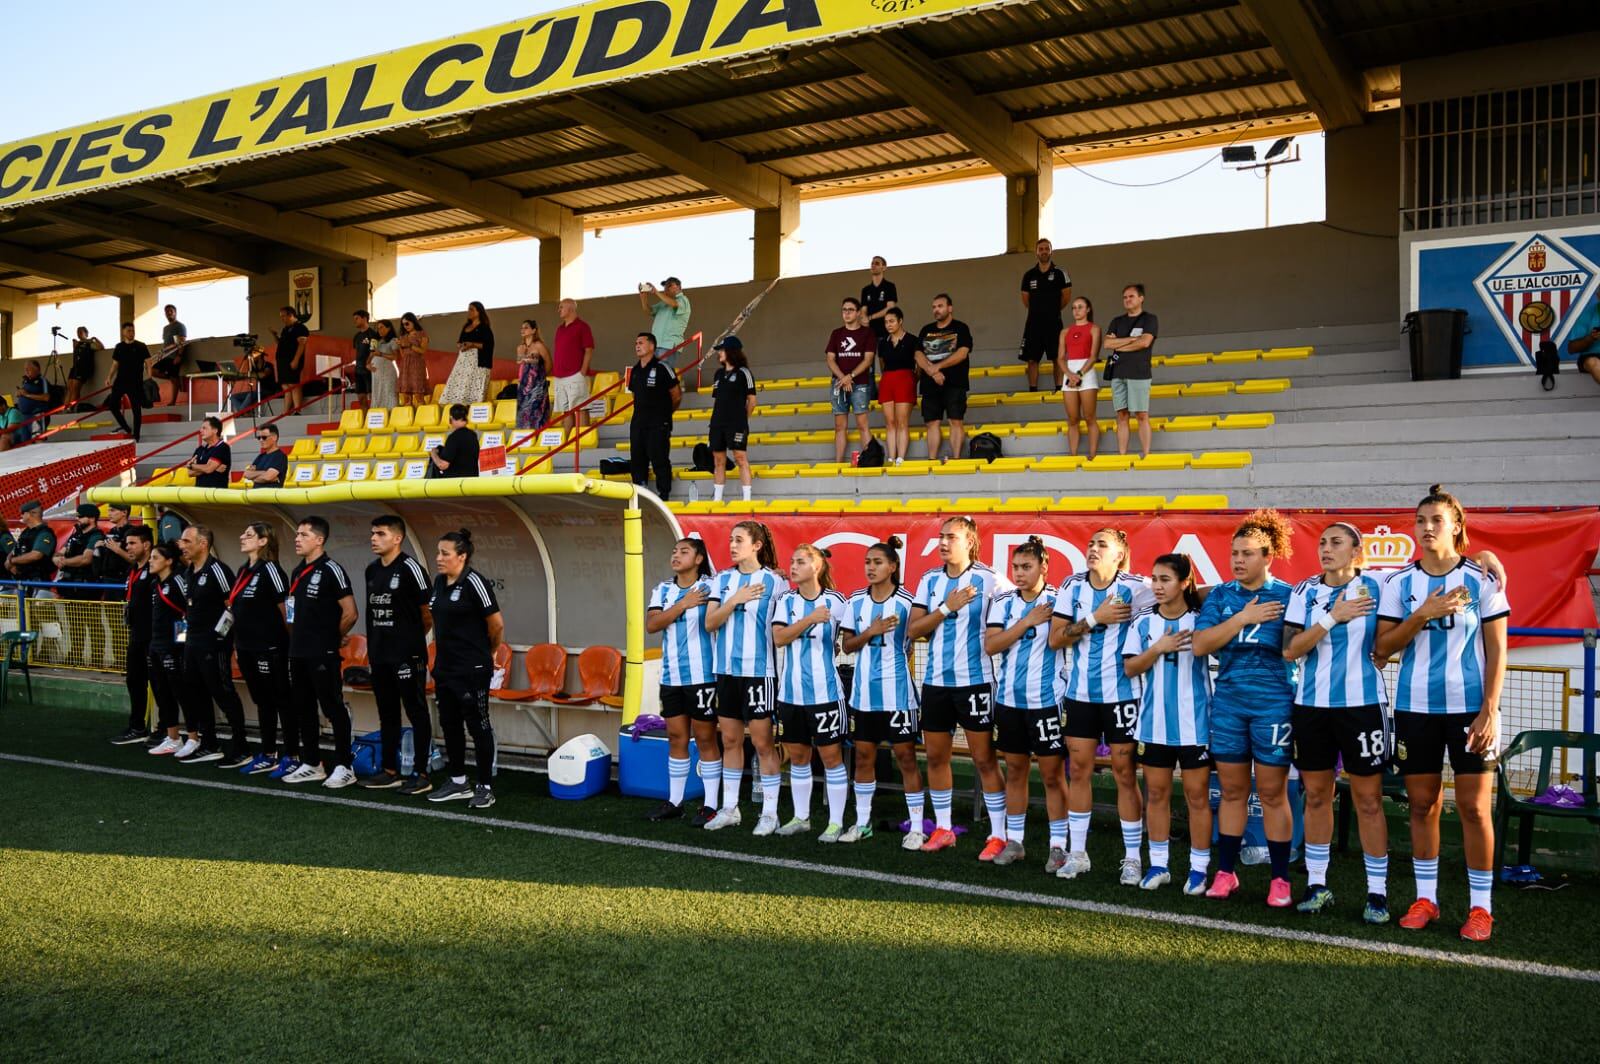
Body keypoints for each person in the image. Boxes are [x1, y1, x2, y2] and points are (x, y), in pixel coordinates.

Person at [1375, 486, 1509, 943]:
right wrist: (1422, 615)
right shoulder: (1399, 584)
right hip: (1415, 709)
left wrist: (1489, 710)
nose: (1426, 528)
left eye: (1436, 520)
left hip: (1471, 711)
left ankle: (1481, 909)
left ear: (1456, 526)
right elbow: (1383, 648)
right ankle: (1426, 899)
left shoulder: (1482, 579)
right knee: (1422, 804)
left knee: (1473, 808)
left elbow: (1497, 650)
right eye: (1420, 521)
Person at [1283, 522, 1391, 923]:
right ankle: (1316, 884)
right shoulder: (1305, 592)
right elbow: (1290, 649)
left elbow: (1428, 570)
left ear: (1356, 550)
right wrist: (1332, 617)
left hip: (1363, 706)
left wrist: (1486, 557)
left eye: (1336, 542)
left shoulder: (1381, 586)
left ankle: (1377, 893)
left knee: (1367, 800)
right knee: (1315, 796)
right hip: (1311, 706)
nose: (1326, 548)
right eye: (1323, 542)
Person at [1192, 509, 1298, 905]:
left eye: (1247, 553)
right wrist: (1242, 618)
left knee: (1272, 793)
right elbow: (1201, 646)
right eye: (1234, 552)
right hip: (1230, 704)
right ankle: (1225, 873)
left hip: (1273, 705)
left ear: (1268, 556)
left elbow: (1294, 648)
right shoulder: (1222, 596)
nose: (1237, 560)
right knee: (1233, 791)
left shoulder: (1289, 596)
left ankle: (1280, 879)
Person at [1049, 528, 1155, 882]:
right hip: (1080, 695)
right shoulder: (1071, 587)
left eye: (1102, 545)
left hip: (1122, 695)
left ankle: (1132, 858)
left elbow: (1179, 596)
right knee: (1078, 771)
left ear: (1120, 555)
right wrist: (1096, 618)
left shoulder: (1138, 587)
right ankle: (1078, 853)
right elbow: (1055, 639)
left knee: (1125, 774)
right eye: (1091, 544)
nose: (1092, 549)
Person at [907, 515, 1012, 855]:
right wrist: (945, 608)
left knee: (984, 759)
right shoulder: (930, 579)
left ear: (969, 542)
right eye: (940, 536)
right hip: (935, 682)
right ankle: (943, 828)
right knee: (936, 757)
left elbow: (1025, 600)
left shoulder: (990, 579)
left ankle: (998, 834)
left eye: (951, 537)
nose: (942, 542)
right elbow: (914, 630)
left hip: (975, 682)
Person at [1122, 553, 1214, 895]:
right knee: (1157, 794)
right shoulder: (1144, 623)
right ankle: (1159, 865)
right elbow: (1131, 668)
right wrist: (1158, 647)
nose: (1157, 586)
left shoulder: (1202, 621)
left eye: (1165, 579)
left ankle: (1199, 870)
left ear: (1184, 583)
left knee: (1196, 797)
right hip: (1154, 724)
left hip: (1196, 725)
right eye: (1154, 579)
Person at [985, 537, 1067, 869]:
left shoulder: (1061, 599)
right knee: (1015, 770)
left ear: (1044, 567)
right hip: (1009, 701)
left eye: (1026, 567)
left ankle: (1058, 845)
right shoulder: (1004, 602)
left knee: (1051, 775)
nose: (1019, 573)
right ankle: (1015, 841)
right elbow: (992, 646)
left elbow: (1063, 638)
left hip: (1046, 701)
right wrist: (1026, 623)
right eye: (1015, 567)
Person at [839, 537, 926, 847]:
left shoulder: (907, 602)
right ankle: (863, 823)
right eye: (867, 562)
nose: (871, 567)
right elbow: (846, 646)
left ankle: (916, 827)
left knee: (906, 758)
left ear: (893, 566)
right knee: (863, 758)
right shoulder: (855, 602)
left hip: (898, 695)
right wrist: (871, 632)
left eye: (877, 562)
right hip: (863, 695)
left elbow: (916, 638)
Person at [702, 521, 789, 833]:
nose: (732, 545)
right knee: (729, 740)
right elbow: (710, 623)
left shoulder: (775, 582)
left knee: (764, 743)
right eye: (730, 540)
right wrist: (734, 600)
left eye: (739, 540)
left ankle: (770, 813)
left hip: (759, 673)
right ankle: (730, 809)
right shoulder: (722, 580)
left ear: (757, 545)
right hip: (725, 672)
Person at [771, 543, 849, 838]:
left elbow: (848, 639)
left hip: (826, 693)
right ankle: (801, 817)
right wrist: (808, 620)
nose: (793, 566)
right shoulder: (786, 601)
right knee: (799, 757)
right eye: (792, 561)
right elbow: (779, 637)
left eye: (800, 561)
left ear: (816, 567)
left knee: (831, 757)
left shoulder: (837, 602)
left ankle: (836, 822)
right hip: (790, 694)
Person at [645, 537, 721, 824]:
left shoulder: (711, 587)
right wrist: (683, 603)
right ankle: (675, 801)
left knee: (704, 738)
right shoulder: (662, 589)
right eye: (674, 550)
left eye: (684, 551)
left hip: (702, 676)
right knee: (676, 737)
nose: (676, 555)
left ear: (699, 558)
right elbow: (653, 624)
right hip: (671, 677)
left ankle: (711, 803)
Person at [427, 529, 504, 810]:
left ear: (462, 556)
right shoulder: (438, 582)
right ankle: (458, 781)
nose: (439, 558)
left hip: (472, 668)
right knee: (449, 724)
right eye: (438, 552)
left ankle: (485, 786)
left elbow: (496, 625)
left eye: (445, 553)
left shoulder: (475, 582)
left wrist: (489, 652)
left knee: (479, 726)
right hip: (445, 668)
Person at [282, 516, 359, 788]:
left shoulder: (331, 569)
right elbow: (292, 613)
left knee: (333, 708)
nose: (297, 538)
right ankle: (312, 763)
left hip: (322, 653)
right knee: (303, 708)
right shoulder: (295, 572)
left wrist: (331, 638)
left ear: (319, 540)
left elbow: (350, 612)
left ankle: (344, 765)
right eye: (297, 534)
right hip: (298, 651)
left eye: (303, 534)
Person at [361, 516, 435, 794]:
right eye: (372, 533)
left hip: (407, 656)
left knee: (416, 711)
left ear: (397, 538)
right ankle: (390, 770)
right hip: (380, 655)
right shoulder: (371, 570)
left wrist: (410, 641)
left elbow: (427, 615)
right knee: (387, 713)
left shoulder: (410, 569)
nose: (374, 538)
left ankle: (421, 772)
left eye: (380, 533)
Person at [173, 525, 251, 769]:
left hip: (213, 645)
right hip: (192, 643)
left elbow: (233, 605)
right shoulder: (189, 572)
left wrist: (222, 637)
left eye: (187, 541)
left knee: (224, 693)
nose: (182, 545)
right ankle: (209, 743)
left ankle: (242, 747)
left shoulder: (218, 570)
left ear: (203, 543)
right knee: (196, 693)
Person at [231, 522, 299, 778]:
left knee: (282, 700)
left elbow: (286, 610)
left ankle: (292, 754)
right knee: (262, 701)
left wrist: (290, 643)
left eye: (248, 535)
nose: (242, 537)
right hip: (247, 647)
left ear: (263, 541)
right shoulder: (242, 570)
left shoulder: (271, 569)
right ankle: (268, 753)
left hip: (270, 648)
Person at [143, 543, 196, 757]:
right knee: (162, 693)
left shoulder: (178, 581)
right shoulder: (155, 584)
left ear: (169, 561)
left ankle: (193, 737)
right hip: (155, 645)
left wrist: (179, 644)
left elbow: (187, 613)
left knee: (181, 692)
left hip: (172, 648)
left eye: (155, 557)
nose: (150, 561)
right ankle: (173, 737)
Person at [107, 525, 156, 747]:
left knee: (159, 684)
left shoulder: (155, 571)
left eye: (133, 543)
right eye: (127, 544)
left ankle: (164, 730)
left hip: (153, 637)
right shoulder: (134, 569)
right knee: (134, 681)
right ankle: (137, 726)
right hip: (136, 634)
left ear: (146, 545)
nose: (129, 547)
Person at [916, 295, 974, 463]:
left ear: (950, 308)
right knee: (931, 423)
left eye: (940, 306)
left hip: (955, 383)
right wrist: (932, 372)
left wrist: (938, 367)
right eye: (934, 307)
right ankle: (932, 460)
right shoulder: (925, 329)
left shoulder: (961, 328)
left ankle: (955, 459)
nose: (936, 310)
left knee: (955, 420)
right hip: (929, 384)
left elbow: (962, 353)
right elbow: (918, 353)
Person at [1102, 283, 1157, 458]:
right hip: (1118, 373)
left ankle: (1146, 454)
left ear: (1141, 298)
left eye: (1131, 296)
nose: (1127, 300)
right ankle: (1122, 456)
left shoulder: (1149, 319)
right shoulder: (1117, 321)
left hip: (1139, 372)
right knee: (1122, 416)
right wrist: (1131, 340)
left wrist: (1121, 344)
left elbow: (1145, 342)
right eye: (1125, 297)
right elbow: (1108, 344)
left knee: (1141, 414)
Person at [627, 332, 681, 500]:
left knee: (659, 459)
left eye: (641, 343)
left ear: (651, 346)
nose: (637, 345)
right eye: (636, 343)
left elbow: (676, 395)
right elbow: (635, 396)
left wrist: (665, 414)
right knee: (637, 460)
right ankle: (640, 494)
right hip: (638, 424)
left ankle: (664, 495)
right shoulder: (635, 370)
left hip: (658, 424)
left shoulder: (663, 368)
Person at [826, 297, 877, 466]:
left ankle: (869, 461)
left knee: (863, 425)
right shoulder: (836, 333)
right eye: (844, 310)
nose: (846, 313)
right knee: (840, 426)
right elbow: (830, 359)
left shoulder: (867, 333)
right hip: (839, 384)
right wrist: (843, 377)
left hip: (860, 383)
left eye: (850, 310)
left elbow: (868, 359)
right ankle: (838, 463)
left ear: (858, 312)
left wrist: (851, 376)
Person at [1019, 238, 1072, 392]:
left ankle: (1058, 388)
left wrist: (1052, 311)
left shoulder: (1061, 273)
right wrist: (1038, 312)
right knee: (1032, 359)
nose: (1043, 251)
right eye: (1040, 249)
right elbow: (1025, 299)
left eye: (1046, 248)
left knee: (1057, 357)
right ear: (1036, 252)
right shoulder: (1029, 275)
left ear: (1051, 251)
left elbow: (1066, 297)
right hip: (1033, 324)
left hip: (1054, 323)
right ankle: (1032, 390)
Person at [707, 336, 755, 504]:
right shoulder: (718, 374)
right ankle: (718, 500)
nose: (719, 353)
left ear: (731, 352)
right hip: (717, 423)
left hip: (736, 424)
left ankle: (747, 500)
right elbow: (717, 399)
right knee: (718, 460)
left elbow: (752, 401)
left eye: (722, 350)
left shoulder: (744, 373)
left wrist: (742, 420)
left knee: (740, 458)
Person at [1058, 296, 1102, 459]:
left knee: (1089, 417)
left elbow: (1093, 356)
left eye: (1080, 307)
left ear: (1088, 309)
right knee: (1072, 418)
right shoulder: (1065, 331)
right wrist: (1069, 374)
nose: (1077, 310)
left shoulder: (1094, 328)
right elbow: (1060, 357)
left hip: (1087, 372)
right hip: (1069, 371)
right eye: (1074, 307)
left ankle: (1092, 454)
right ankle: (1073, 454)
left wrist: (1080, 374)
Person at [876, 307, 919, 466]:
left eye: (892, 321)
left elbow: (918, 365)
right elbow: (882, 365)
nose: (888, 325)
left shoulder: (912, 340)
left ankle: (900, 457)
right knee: (890, 422)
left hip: (905, 378)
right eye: (886, 322)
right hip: (888, 379)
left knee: (902, 421)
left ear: (900, 321)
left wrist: (914, 379)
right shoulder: (882, 343)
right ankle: (891, 457)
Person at [99, 322, 150, 440]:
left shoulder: (141, 346)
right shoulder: (119, 347)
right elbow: (115, 364)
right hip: (120, 381)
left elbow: (148, 362)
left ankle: (136, 436)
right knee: (112, 405)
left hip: (135, 382)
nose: (131, 333)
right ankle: (126, 428)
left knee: (136, 409)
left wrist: (150, 377)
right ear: (123, 332)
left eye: (133, 330)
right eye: (128, 331)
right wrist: (109, 377)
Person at [551, 299, 595, 430]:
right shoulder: (559, 329)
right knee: (566, 411)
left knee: (581, 408)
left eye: (561, 307)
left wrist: (582, 371)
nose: (559, 310)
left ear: (570, 308)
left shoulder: (583, 326)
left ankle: (583, 440)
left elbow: (589, 349)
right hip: (559, 375)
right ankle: (568, 443)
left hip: (575, 373)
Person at [442, 301, 495, 405]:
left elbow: (488, 345)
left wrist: (473, 344)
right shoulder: (466, 326)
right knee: (461, 384)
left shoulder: (484, 328)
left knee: (474, 386)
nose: (469, 312)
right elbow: (460, 341)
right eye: (468, 309)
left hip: (477, 361)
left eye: (471, 309)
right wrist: (460, 345)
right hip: (463, 361)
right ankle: (461, 406)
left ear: (479, 312)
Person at [53, 503, 106, 600]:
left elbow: (86, 559)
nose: (78, 519)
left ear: (92, 518)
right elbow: (61, 552)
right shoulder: (76, 535)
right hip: (69, 585)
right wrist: (56, 558)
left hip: (86, 587)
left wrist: (64, 562)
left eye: (81, 516)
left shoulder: (96, 536)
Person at [6, 500, 57, 590]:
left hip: (38, 583)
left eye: (22, 513)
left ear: (31, 514)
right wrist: (10, 561)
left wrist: (12, 561)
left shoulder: (44, 533)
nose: (21, 516)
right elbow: (15, 550)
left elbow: (36, 555)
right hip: (22, 581)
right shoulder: (26, 532)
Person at [639, 276, 691, 355]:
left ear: (675, 286)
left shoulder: (683, 299)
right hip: (656, 345)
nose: (664, 290)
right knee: (654, 367)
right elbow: (649, 311)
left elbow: (674, 304)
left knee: (662, 367)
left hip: (669, 345)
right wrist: (643, 297)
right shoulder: (663, 303)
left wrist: (656, 292)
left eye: (667, 286)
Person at [515, 319, 551, 432]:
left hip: (537, 384)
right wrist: (521, 354)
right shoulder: (520, 347)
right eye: (522, 328)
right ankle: (525, 436)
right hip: (524, 384)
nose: (523, 330)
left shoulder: (539, 345)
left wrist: (541, 377)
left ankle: (539, 434)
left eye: (526, 327)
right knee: (524, 411)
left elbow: (549, 362)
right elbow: (519, 362)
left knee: (537, 411)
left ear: (533, 330)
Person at [272, 305, 310, 411]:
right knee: (285, 386)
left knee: (293, 384)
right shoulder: (285, 329)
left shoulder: (300, 328)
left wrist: (296, 360)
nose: (282, 319)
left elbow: (302, 344)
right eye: (281, 316)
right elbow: (280, 344)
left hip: (292, 360)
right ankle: (286, 411)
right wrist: (275, 335)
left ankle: (297, 409)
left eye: (284, 316)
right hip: (282, 360)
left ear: (291, 315)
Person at [431, 404, 479, 478]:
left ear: (451, 418)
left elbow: (443, 465)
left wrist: (433, 454)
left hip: (456, 483)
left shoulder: (454, 438)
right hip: (472, 481)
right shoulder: (473, 435)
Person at [396, 312, 431, 407]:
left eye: (407, 323)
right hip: (405, 365)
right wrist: (400, 346)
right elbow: (403, 355)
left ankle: (423, 417)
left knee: (418, 394)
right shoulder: (403, 336)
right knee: (406, 396)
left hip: (417, 364)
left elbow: (423, 351)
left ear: (413, 322)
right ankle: (409, 419)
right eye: (403, 325)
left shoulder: (422, 334)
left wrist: (409, 345)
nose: (405, 326)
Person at [185, 416, 230, 488]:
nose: (201, 431)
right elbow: (190, 473)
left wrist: (192, 466)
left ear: (215, 430)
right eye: (201, 428)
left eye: (204, 428)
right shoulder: (200, 449)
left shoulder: (222, 447)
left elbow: (208, 469)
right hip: (200, 494)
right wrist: (214, 469)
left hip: (216, 495)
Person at [860, 255, 897, 343]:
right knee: (868, 356)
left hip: (885, 329)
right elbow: (863, 309)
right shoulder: (866, 290)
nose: (873, 265)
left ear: (883, 267)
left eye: (877, 263)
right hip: (869, 331)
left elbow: (890, 308)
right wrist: (864, 318)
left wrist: (870, 317)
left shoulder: (889, 286)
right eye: (872, 263)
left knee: (884, 356)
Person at [14, 360, 52, 443]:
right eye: (25, 369)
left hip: (36, 415)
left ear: (37, 369)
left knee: (38, 439)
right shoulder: (25, 381)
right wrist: (19, 392)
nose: (26, 371)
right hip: (24, 416)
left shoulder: (42, 381)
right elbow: (23, 393)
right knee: (25, 442)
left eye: (29, 369)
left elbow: (46, 398)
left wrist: (27, 395)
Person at [349, 310, 377, 409]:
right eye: (354, 319)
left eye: (357, 318)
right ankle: (365, 420)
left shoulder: (373, 334)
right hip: (358, 370)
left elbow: (374, 351)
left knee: (373, 397)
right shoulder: (356, 336)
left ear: (364, 318)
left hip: (370, 369)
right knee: (361, 398)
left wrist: (367, 363)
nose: (355, 321)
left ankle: (374, 420)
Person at [370, 319, 400, 411]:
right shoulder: (377, 341)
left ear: (389, 328)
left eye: (382, 327)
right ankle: (379, 416)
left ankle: (392, 416)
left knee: (388, 393)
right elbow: (371, 354)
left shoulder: (393, 340)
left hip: (387, 372)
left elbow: (395, 357)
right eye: (378, 328)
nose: (379, 330)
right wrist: (367, 364)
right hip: (376, 373)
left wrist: (381, 354)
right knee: (377, 394)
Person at [69, 326, 103, 407]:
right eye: (78, 332)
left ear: (86, 333)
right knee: (70, 388)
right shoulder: (77, 343)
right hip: (75, 367)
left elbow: (101, 347)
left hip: (83, 369)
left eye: (81, 332)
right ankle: (64, 408)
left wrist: (95, 339)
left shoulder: (90, 344)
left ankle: (71, 408)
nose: (79, 334)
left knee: (75, 389)